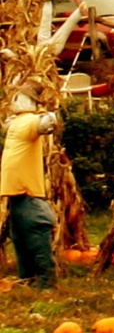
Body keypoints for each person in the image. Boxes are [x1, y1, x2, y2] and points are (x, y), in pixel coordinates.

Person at [2, 81, 60, 289]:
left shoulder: (29, 121)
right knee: (20, 238)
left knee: (35, 236)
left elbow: (46, 125)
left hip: (28, 192)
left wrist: (49, 114)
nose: (16, 100)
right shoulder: (17, 122)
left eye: (20, 97)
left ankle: (47, 282)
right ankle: (28, 279)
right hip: (16, 193)